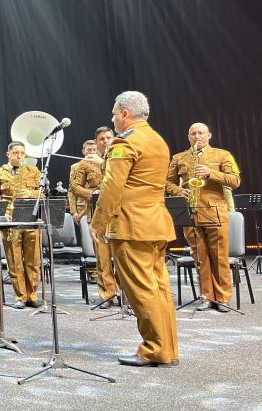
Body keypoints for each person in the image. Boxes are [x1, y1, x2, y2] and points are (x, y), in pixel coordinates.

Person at [91, 91, 179, 367]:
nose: (114, 119)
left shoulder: (125, 143)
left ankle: (154, 349)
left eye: (115, 114)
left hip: (131, 225)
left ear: (125, 114)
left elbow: (111, 187)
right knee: (159, 288)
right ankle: (168, 348)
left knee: (141, 290)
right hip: (156, 223)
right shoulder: (157, 140)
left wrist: (98, 222)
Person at [166, 122, 240, 312]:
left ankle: (222, 298)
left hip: (215, 212)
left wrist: (210, 173)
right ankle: (206, 297)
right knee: (200, 258)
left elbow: (235, 180)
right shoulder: (179, 157)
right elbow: (166, 182)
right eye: (193, 133)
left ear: (209, 135)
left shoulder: (223, 155)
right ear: (188, 136)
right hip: (190, 213)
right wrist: (177, 190)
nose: (197, 136)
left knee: (219, 256)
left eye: (201, 133)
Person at [0, 142, 42, 309]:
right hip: (10, 220)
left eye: (22, 153)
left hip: (30, 219)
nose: (19, 156)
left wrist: (31, 193)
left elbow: (43, 193)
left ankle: (32, 295)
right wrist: (0, 216)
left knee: (33, 260)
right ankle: (20, 296)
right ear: (8, 154)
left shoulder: (34, 171)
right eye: (16, 153)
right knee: (14, 261)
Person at [69, 139, 119, 307]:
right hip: (97, 214)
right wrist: (94, 195)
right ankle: (108, 295)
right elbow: (74, 187)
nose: (105, 142)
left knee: (121, 257)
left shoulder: (117, 159)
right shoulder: (84, 165)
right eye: (102, 139)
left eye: (108, 138)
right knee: (103, 258)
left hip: (119, 214)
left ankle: (124, 294)